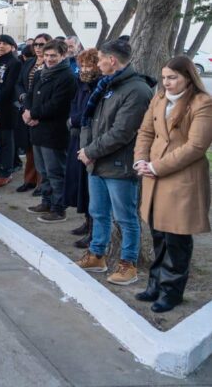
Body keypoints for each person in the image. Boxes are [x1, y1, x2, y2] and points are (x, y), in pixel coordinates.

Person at [133, 56, 212, 312]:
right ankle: (155, 284)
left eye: (173, 77)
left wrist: (157, 167)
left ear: (188, 77)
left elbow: (196, 146)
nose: (166, 82)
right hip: (153, 175)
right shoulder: (159, 98)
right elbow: (145, 132)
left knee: (177, 238)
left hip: (180, 178)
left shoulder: (203, 103)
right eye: (164, 77)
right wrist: (141, 161)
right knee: (158, 234)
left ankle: (172, 291)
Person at [76, 39, 153, 285]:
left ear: (111, 60)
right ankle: (98, 254)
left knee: (126, 218)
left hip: (118, 165)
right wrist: (87, 149)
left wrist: (90, 151)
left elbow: (122, 132)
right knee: (98, 212)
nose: (97, 64)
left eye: (100, 59)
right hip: (97, 162)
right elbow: (93, 122)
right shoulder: (107, 85)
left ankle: (128, 265)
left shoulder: (137, 90)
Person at [23, 40, 77, 222]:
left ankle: (58, 208)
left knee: (55, 171)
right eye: (46, 55)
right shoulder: (40, 74)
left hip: (54, 131)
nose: (49, 59)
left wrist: (33, 114)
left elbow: (58, 104)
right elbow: (30, 95)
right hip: (37, 129)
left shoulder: (67, 77)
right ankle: (46, 201)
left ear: (63, 56)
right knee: (42, 170)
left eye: (53, 55)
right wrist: (26, 112)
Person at [63, 48, 100, 248]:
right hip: (76, 137)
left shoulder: (97, 86)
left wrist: (75, 119)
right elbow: (74, 105)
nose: (85, 69)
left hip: (89, 140)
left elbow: (88, 112)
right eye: (82, 65)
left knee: (89, 187)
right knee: (79, 183)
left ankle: (94, 228)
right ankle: (87, 221)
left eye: (89, 65)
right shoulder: (81, 84)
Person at [15, 34, 50, 193]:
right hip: (26, 108)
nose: (37, 47)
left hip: (42, 110)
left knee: (41, 150)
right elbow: (19, 83)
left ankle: (41, 184)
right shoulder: (29, 62)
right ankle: (29, 180)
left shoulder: (51, 64)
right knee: (29, 148)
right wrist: (22, 98)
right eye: (35, 44)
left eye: (41, 44)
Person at [0, 34, 22, 187]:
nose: (0, 46)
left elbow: (9, 87)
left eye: (4, 43)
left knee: (6, 141)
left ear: (11, 46)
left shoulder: (14, 62)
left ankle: (6, 172)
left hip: (6, 108)